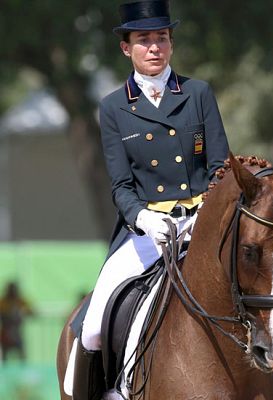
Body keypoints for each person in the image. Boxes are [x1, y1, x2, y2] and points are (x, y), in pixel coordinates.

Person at [69, 1, 230, 398]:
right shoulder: (112, 108)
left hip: (202, 224)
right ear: (127, 48)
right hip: (146, 232)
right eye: (144, 40)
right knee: (90, 326)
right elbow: (121, 186)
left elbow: (221, 170)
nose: (154, 47)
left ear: (171, 44)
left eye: (161, 38)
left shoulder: (197, 94)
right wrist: (145, 219)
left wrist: (207, 213)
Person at [0, 282, 34, 362]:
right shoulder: (3, 302)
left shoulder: (19, 301)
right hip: (6, 335)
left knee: (22, 357)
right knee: (5, 358)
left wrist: (23, 312)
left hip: (17, 335)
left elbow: (31, 311)